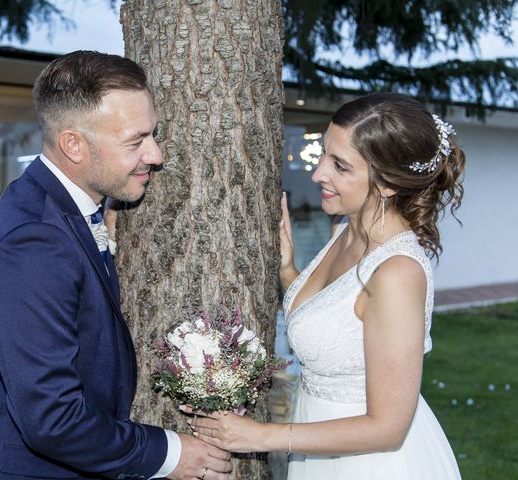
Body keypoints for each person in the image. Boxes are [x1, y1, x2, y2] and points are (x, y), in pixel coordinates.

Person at [0, 51, 231, 480]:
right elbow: (52, 419)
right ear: (73, 144)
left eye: (153, 136)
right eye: (136, 140)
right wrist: (169, 453)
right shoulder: (32, 243)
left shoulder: (62, 209)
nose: (156, 155)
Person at [188, 93, 464, 479]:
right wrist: (289, 271)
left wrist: (259, 436)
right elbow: (340, 318)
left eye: (340, 166)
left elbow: (388, 428)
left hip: (372, 464)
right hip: (319, 447)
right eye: (323, 155)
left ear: (385, 184)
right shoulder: (345, 229)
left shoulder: (397, 273)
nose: (318, 173)